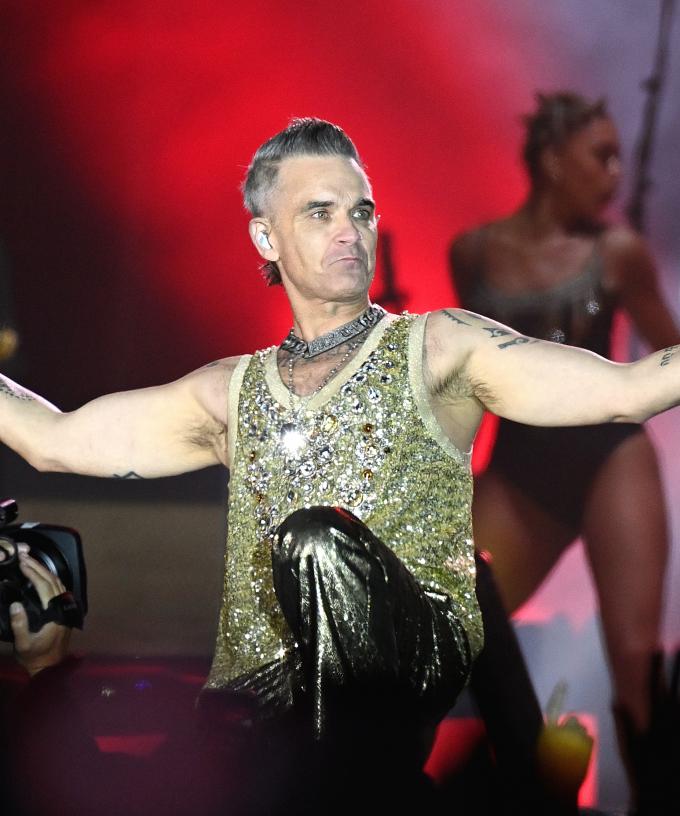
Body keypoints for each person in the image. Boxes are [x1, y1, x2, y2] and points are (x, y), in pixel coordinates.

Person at [2, 116, 680, 806]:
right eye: (320, 212)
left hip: (403, 662)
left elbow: (629, 390)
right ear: (266, 237)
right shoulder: (229, 393)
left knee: (317, 542)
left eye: (361, 211)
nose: (351, 230)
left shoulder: (441, 348)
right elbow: (49, 438)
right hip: (262, 722)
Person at [449, 92, 679, 766]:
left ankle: (653, 798)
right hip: (520, 473)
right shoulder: (473, 253)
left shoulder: (618, 253)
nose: (615, 175)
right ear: (552, 160)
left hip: (610, 460)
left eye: (619, 158)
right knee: (445, 631)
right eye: (600, 157)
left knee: (633, 657)